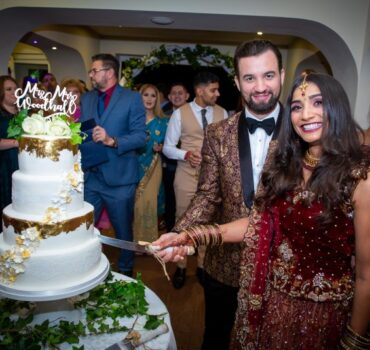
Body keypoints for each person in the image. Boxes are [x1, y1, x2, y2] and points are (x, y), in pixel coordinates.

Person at [154, 73, 370, 350]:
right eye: (297, 106)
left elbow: (366, 275)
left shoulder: (359, 175)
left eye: (318, 102)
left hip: (324, 315)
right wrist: (189, 237)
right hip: (273, 304)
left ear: (337, 106)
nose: (306, 114)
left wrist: (353, 342)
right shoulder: (287, 165)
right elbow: (259, 224)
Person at [162, 40, 285, 348]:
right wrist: (179, 234)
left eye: (268, 75)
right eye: (249, 78)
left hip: (282, 269)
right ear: (237, 82)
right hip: (223, 266)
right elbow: (207, 195)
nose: (259, 87)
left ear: (282, 75)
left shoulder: (303, 132)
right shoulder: (218, 133)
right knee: (215, 337)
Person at [79, 53, 146, 277]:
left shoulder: (131, 98)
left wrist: (112, 140)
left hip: (120, 179)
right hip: (91, 177)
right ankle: (87, 267)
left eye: (94, 70)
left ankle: (126, 270)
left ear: (109, 72)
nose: (90, 75)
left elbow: (140, 137)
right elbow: (83, 131)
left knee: (122, 230)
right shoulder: (87, 98)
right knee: (84, 228)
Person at [163, 71, 228, 289]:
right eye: (213, 90)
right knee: (182, 219)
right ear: (200, 91)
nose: (217, 94)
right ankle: (181, 267)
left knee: (209, 222)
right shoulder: (180, 114)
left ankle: (201, 266)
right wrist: (186, 154)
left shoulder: (223, 112)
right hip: (186, 176)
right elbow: (167, 148)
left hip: (213, 180)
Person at [133, 84, 168, 243]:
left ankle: (147, 241)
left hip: (153, 166)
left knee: (148, 203)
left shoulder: (164, 122)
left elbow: (171, 145)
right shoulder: (133, 120)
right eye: (145, 95)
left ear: (157, 99)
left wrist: (162, 147)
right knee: (132, 204)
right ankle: (133, 240)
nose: (149, 99)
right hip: (131, 166)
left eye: (153, 95)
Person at [162, 82, 190, 232]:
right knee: (170, 202)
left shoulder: (196, 114)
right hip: (169, 166)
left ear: (187, 96)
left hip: (191, 167)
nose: (177, 96)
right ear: (169, 97)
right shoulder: (163, 115)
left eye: (181, 93)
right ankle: (171, 235)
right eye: (174, 93)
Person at [0, 75, 19, 217]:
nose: (14, 92)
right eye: (9, 89)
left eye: (16, 88)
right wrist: (15, 142)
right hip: (4, 167)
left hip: (22, 165)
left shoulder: (24, 112)